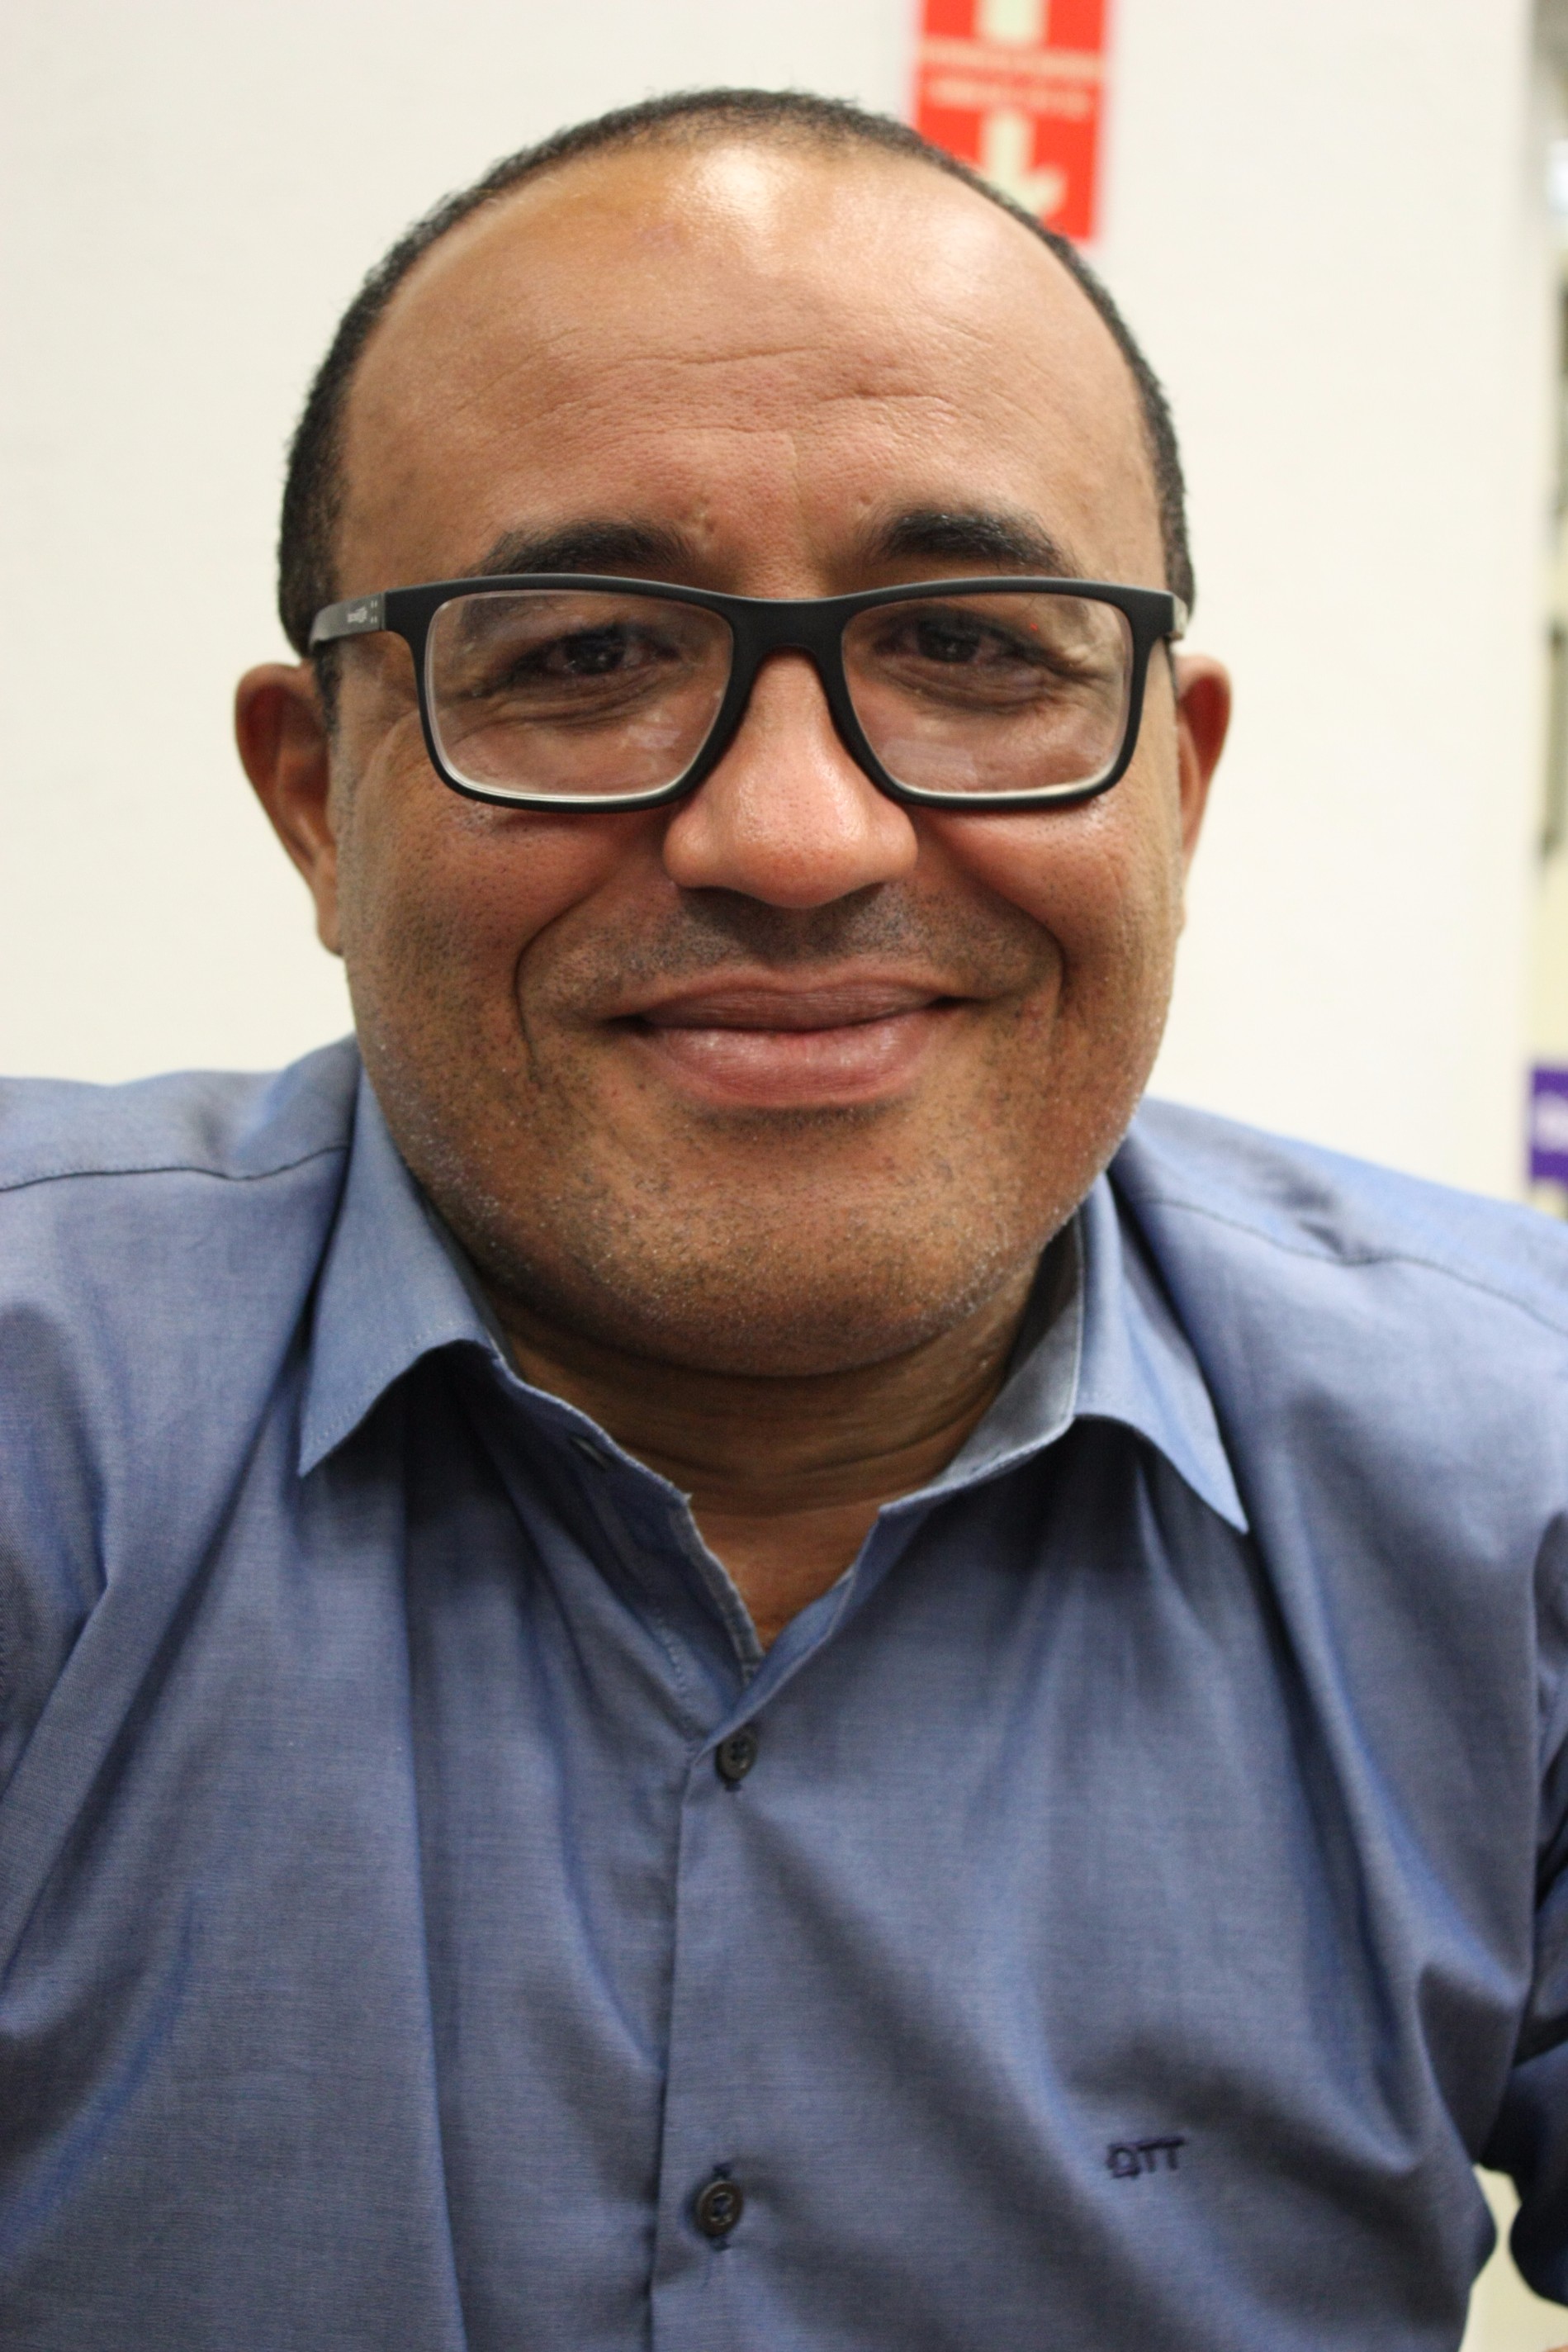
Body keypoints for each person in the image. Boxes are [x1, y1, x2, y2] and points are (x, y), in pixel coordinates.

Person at [0, 85, 1562, 2352]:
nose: (801, 836)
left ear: (1175, 778)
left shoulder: (1520, 1478)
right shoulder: (39, 1418)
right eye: (579, 655)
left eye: (978, 650)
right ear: (316, 799)